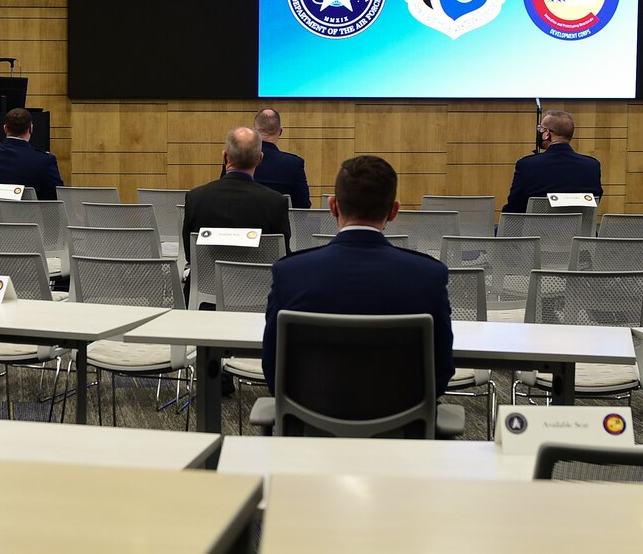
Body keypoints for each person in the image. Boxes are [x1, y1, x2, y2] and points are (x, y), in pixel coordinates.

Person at [262, 155, 454, 397]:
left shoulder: (289, 273)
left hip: (309, 428)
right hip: (403, 429)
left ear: (333, 206)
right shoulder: (429, 276)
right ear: (394, 211)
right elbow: (441, 371)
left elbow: (273, 370)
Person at [183, 126, 292, 270]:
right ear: (260, 159)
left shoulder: (195, 198)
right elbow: (281, 257)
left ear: (225, 156)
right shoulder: (275, 203)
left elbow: (190, 255)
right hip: (258, 289)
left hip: (206, 290)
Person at [502, 110, 603, 213]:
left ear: (547, 133)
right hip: (578, 229)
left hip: (535, 228)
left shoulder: (527, 166)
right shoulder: (592, 166)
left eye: (541, 129)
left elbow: (514, 208)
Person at [0, 107, 64, 200]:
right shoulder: (44, 160)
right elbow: (58, 197)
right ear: (31, 128)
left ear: (5, 128)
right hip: (30, 222)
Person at [221, 108, 311, 208]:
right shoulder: (294, 164)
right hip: (278, 223)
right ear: (280, 131)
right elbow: (303, 209)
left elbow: (222, 195)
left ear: (254, 131)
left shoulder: (235, 159)